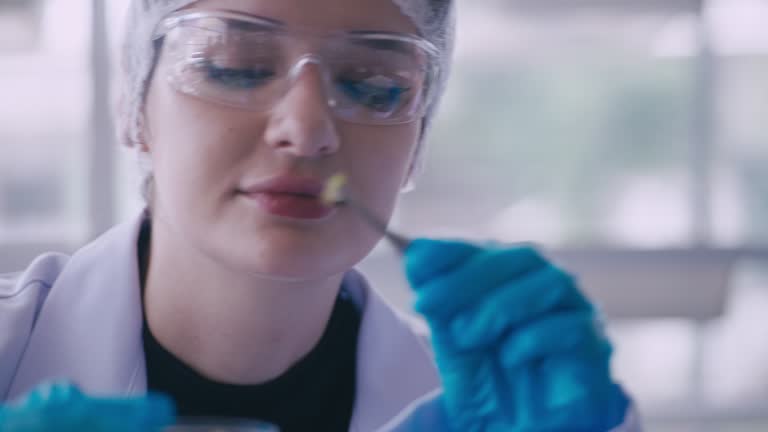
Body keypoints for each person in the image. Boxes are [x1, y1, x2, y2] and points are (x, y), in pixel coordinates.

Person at [0, 0, 641, 431]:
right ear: (133, 105)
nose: (307, 131)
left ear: (416, 142)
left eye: (373, 84)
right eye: (235, 66)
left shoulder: (515, 408)